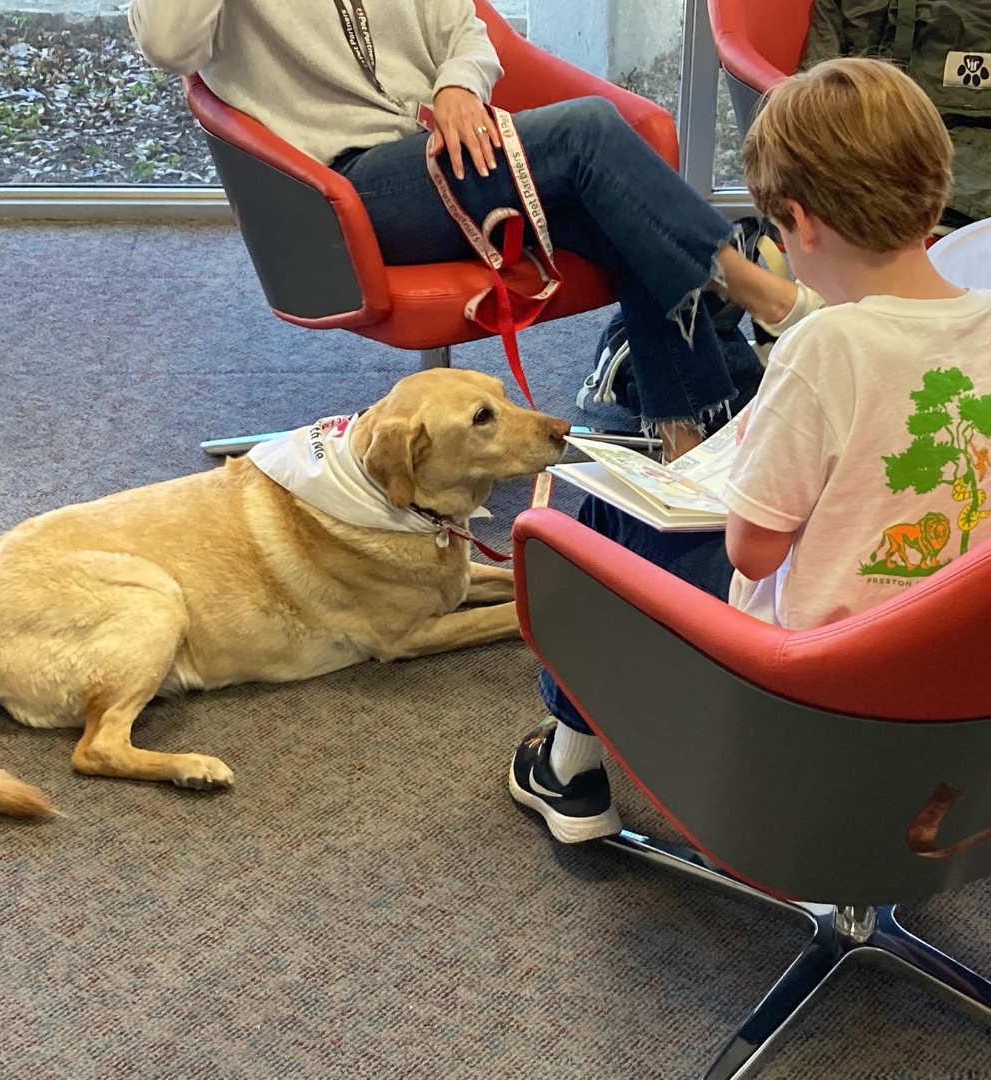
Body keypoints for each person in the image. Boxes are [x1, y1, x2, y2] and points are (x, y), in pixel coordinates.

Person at [510, 57, 991, 843]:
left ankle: (566, 767)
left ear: (800, 223)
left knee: (605, 515)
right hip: (956, 685)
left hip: (814, 686)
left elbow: (756, 552)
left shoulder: (828, 346)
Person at [127, 0, 812, 462]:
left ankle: (683, 448)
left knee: (624, 216)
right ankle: (763, 294)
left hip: (442, 159)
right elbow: (167, 43)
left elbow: (469, 30)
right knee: (589, 129)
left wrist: (459, 86)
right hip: (340, 191)